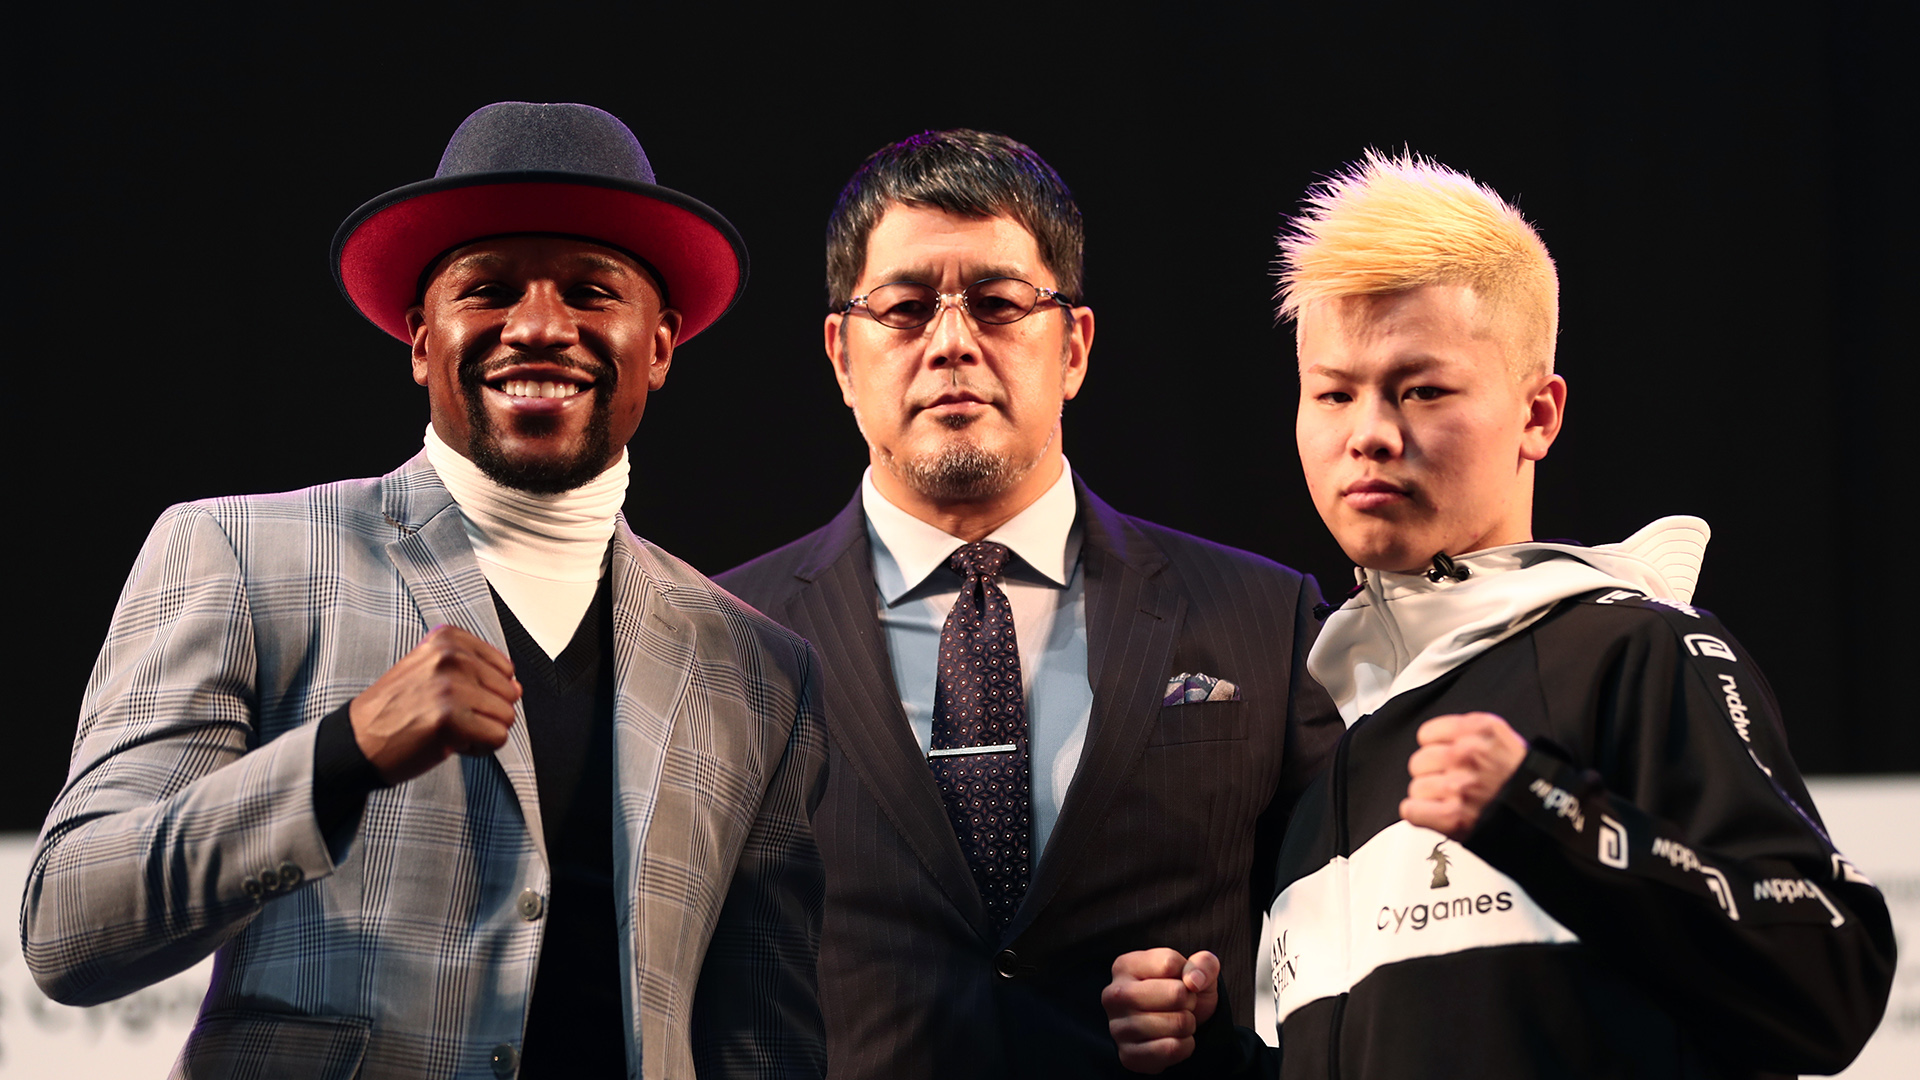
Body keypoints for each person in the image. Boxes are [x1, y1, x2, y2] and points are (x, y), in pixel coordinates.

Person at [23, 102, 827, 1079]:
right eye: (487, 289)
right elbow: (70, 925)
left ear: (659, 344)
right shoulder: (234, 552)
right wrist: (340, 752)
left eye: (590, 290)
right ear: (419, 338)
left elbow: (765, 1046)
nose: (537, 325)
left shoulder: (757, 667)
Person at [1103, 150, 1896, 1078]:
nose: (1369, 431)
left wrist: (1547, 810)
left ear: (1538, 416)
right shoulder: (1325, 738)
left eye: (1421, 389)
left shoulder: (1638, 650)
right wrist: (1207, 1059)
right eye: (1333, 392)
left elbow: (1833, 973)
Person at [714, 129, 1343, 1079]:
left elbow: (1349, 966)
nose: (954, 342)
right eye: (908, 307)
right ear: (843, 354)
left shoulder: (1269, 618)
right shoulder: (726, 636)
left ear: (1075, 346)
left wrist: (1226, 1025)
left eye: (1000, 304)